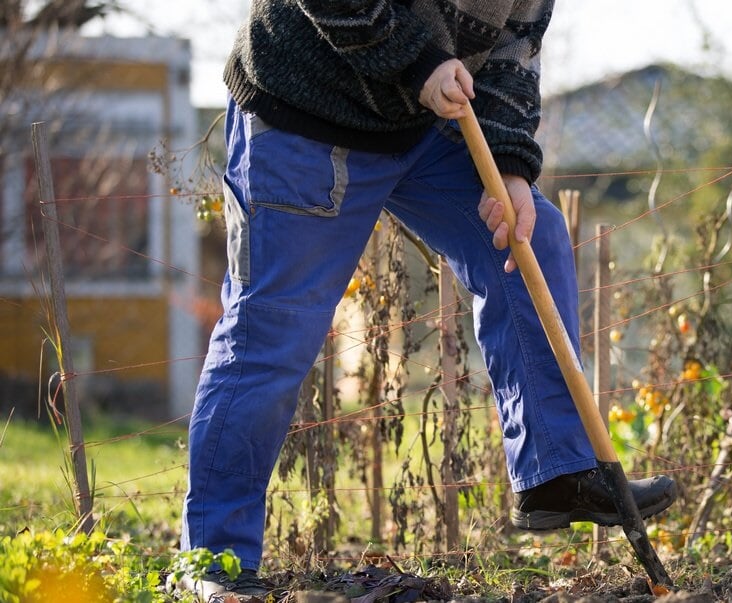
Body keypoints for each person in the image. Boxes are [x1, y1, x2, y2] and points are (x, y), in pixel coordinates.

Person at [179, 1, 678, 598]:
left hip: (417, 125)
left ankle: (555, 471)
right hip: (306, 114)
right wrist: (421, 63)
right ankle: (214, 567)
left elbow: (513, 51)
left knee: (530, 236)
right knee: (271, 331)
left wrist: (511, 166)